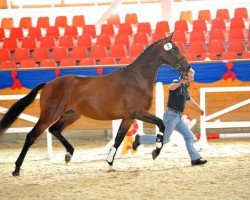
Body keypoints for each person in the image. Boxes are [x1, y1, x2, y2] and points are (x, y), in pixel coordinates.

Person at [132, 68, 207, 166]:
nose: (193, 79)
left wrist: (199, 109)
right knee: (164, 140)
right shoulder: (177, 83)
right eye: (191, 76)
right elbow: (171, 87)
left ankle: (195, 159)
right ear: (185, 76)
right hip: (171, 116)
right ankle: (140, 139)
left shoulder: (185, 88)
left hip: (178, 117)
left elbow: (189, 100)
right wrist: (181, 82)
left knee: (189, 136)